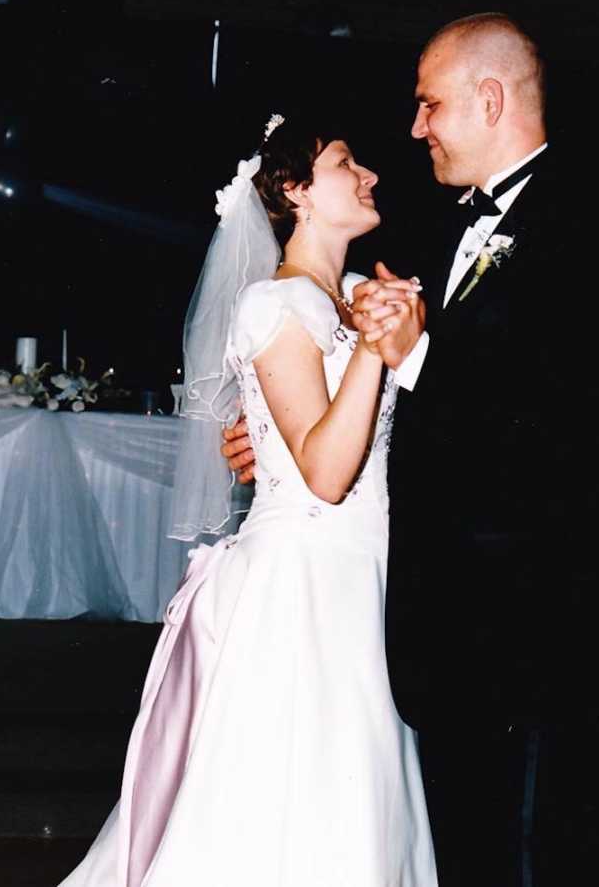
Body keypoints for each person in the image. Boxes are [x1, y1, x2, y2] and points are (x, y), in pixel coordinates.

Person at [225, 12, 599, 887]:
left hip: (550, 639)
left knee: (534, 860)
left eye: (429, 105)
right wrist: (280, 438)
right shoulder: (438, 234)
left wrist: (418, 354)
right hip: (448, 638)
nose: (414, 127)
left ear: (490, 97)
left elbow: (581, 425)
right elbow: (399, 410)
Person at [59, 116, 437, 887]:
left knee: (361, 803)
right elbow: (325, 476)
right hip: (301, 585)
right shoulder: (274, 307)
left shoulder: (370, 293)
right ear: (296, 191)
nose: (368, 174)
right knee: (291, 810)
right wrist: (370, 347)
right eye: (344, 162)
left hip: (368, 578)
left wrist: (390, 331)